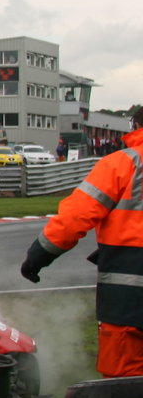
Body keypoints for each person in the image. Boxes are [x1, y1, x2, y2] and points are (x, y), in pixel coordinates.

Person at [20, 109, 143, 377]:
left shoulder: (122, 164)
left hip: (129, 294)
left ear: (136, 125)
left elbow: (74, 218)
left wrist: (38, 256)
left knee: (126, 378)